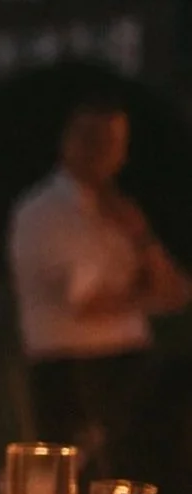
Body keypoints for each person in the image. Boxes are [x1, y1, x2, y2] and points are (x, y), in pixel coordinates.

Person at [10, 95, 190, 473]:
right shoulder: (43, 213)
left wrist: (142, 239)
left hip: (129, 366)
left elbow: (176, 293)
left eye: (115, 144)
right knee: (81, 480)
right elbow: (87, 302)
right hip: (74, 372)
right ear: (71, 143)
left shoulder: (118, 212)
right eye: (98, 142)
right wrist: (143, 296)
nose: (110, 156)